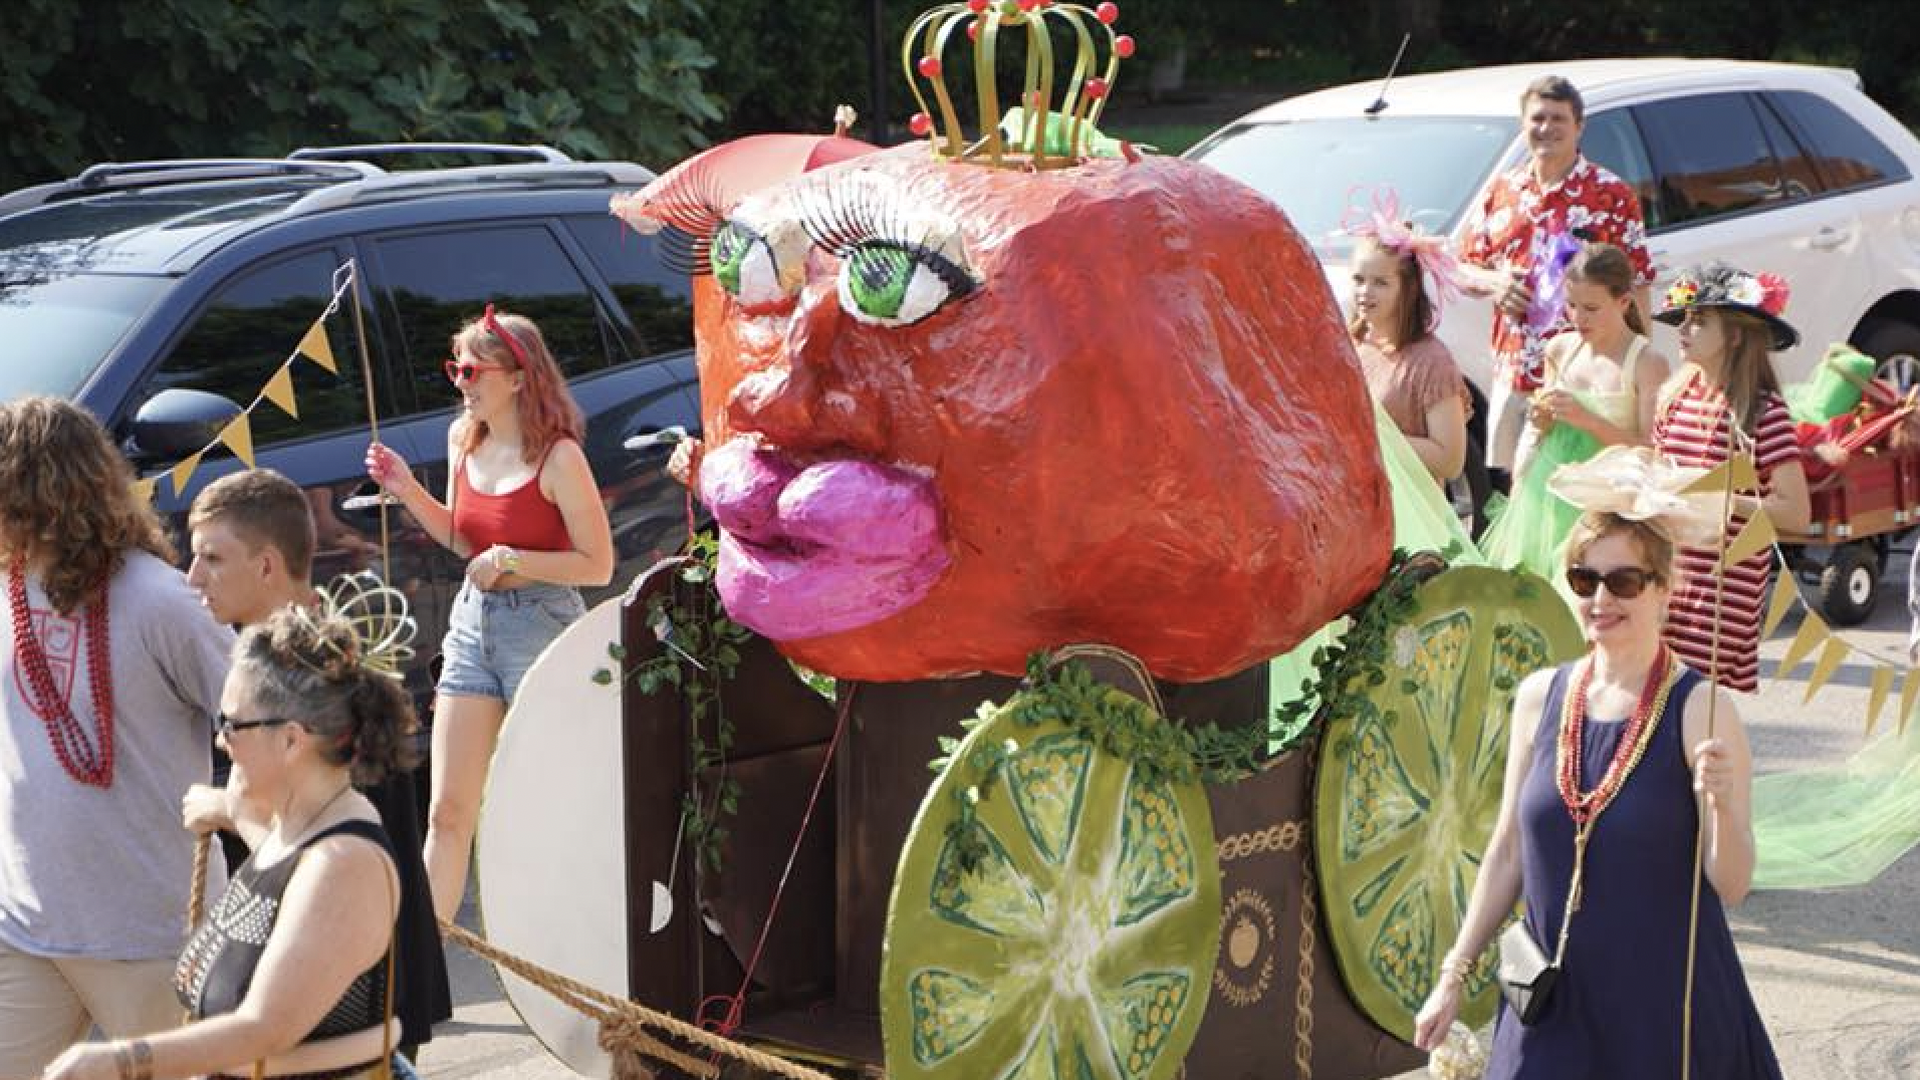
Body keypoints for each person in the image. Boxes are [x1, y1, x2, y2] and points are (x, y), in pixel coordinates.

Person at [1412, 490, 1782, 1078]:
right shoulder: (1539, 697)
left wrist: (1723, 802)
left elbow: (1732, 884)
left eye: (1625, 581)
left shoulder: (1701, 709)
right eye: (1585, 580)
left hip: (1662, 1013)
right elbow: (1508, 851)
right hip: (1550, 1004)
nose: (1602, 598)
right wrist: (1453, 975)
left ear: (1665, 588)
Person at [41, 602, 418, 1080]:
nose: (221, 741)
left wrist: (120, 1061)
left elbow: (265, 1028)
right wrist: (234, 811)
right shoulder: (293, 836)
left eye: (232, 725)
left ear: (291, 740)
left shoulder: (341, 863)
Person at [0, 397, 234, 1078]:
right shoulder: (8, 588)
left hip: (151, 934)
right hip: (26, 928)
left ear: (33, 488)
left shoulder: (162, 600)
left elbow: (263, 726)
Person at [185, 468, 450, 1059]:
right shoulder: (276, 660)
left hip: (353, 997)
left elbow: (331, 849)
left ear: (266, 566)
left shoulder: (323, 681)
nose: (193, 577)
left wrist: (229, 808)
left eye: (210, 558)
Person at [365, 305, 613, 922]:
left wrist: (514, 559)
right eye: (457, 369)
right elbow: (459, 538)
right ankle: (424, 971)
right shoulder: (462, 440)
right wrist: (403, 487)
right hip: (475, 626)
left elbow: (597, 565)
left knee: (551, 805)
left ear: (520, 378)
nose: (462, 383)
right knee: (448, 811)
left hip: (543, 623)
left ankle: (572, 944)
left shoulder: (559, 458)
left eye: (474, 371)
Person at [1460, 74, 1654, 490]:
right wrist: (1496, 283)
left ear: (1579, 127)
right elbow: (1463, 266)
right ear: (1523, 123)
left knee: (1575, 489)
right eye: (1537, 118)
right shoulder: (1503, 190)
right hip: (1516, 369)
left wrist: (1638, 362)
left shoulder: (1610, 194)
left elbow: (1637, 282)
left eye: (1558, 119)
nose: (1546, 128)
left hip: (1585, 375)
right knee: (1508, 489)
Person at [1651, 263, 1811, 693]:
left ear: (1736, 336)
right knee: (1651, 699)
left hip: (1723, 589)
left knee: (1696, 703)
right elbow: (1660, 472)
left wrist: (1725, 501)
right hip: (1667, 574)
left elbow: (1796, 512)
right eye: (1684, 319)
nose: (1684, 329)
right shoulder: (1675, 397)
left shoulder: (1762, 412)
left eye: (1699, 322)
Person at [1482, 243, 1671, 583]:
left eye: (1591, 308)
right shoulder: (1561, 348)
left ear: (1624, 302)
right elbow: (1539, 430)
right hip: (1549, 490)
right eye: (1570, 305)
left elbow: (1650, 451)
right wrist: (1541, 420)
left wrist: (1590, 421)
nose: (1578, 318)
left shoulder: (1646, 362)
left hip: (1604, 503)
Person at [1348, 210, 1471, 486]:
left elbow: (1450, 460)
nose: (1365, 292)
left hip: (1412, 516)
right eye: (1359, 280)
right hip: (1359, 504)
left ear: (1408, 289)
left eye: (1380, 283)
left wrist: (1370, 437)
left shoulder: (1431, 361)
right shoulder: (1352, 346)